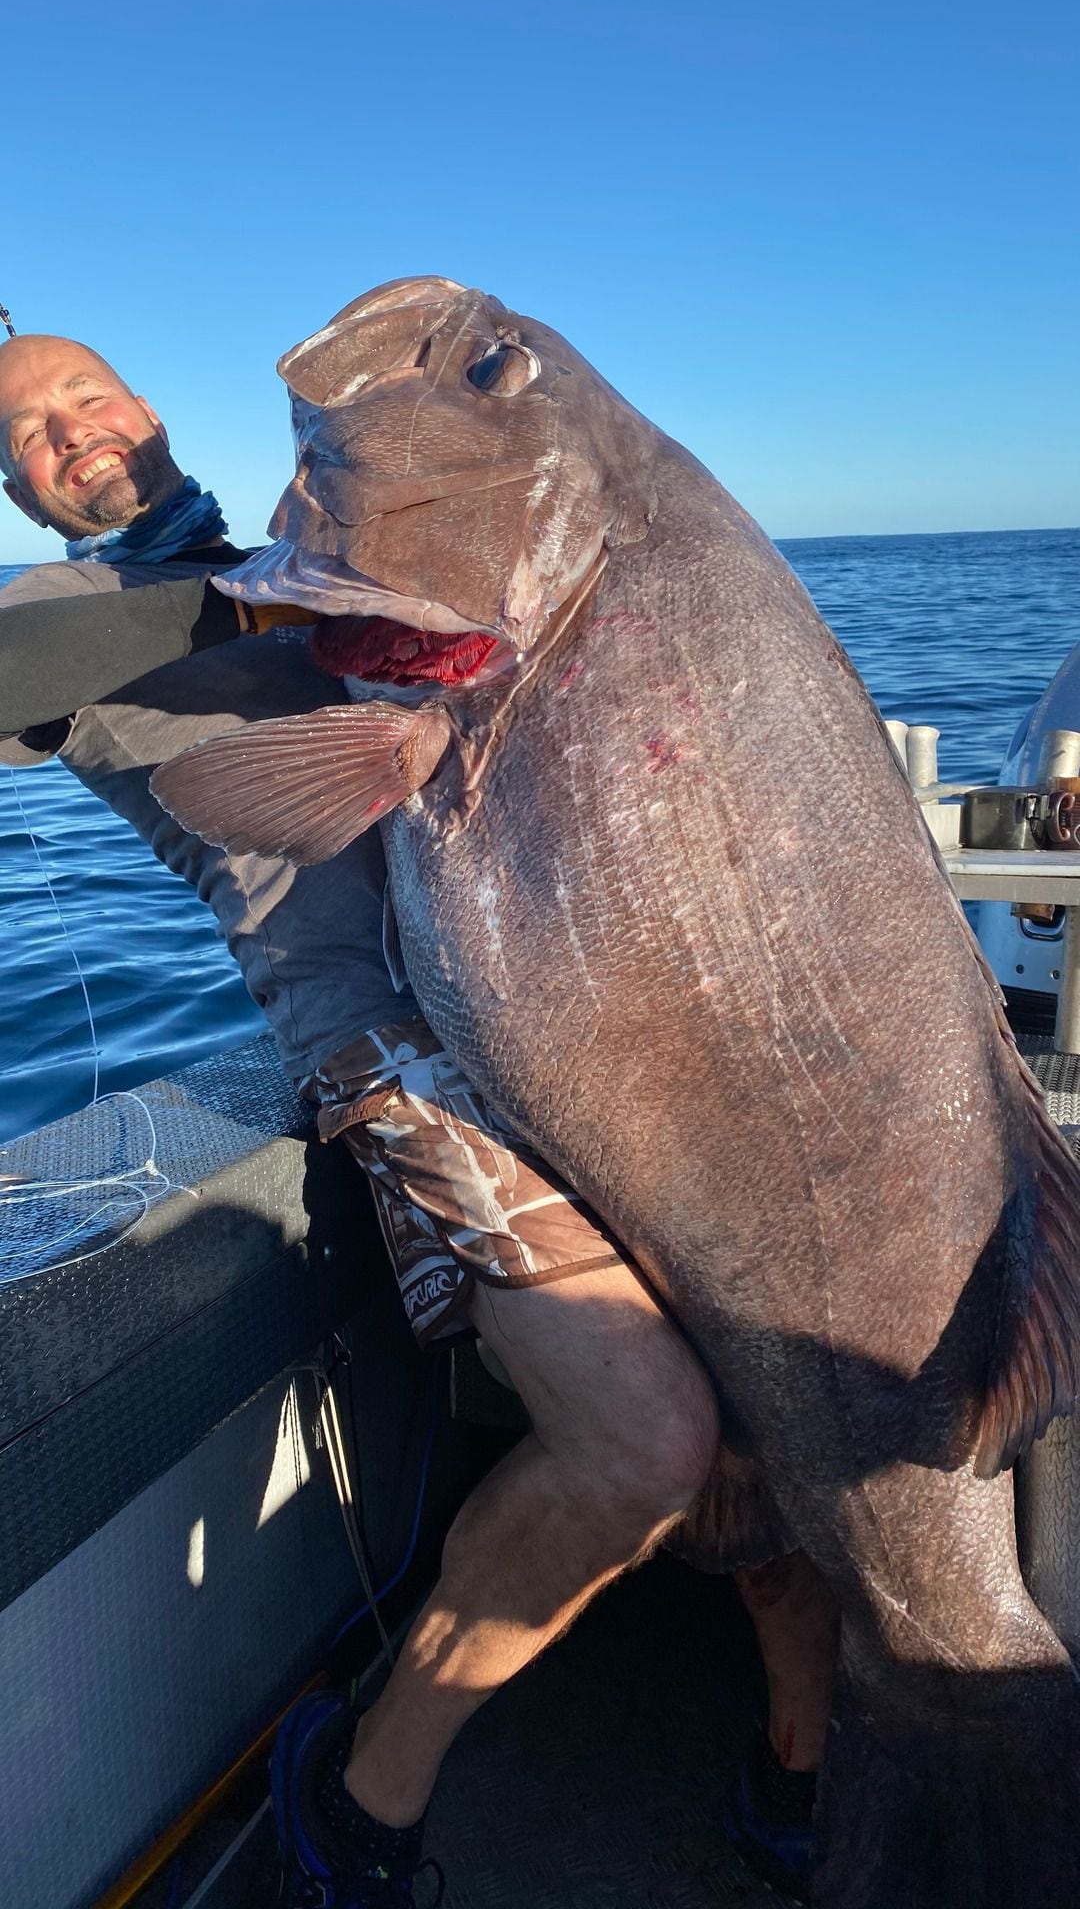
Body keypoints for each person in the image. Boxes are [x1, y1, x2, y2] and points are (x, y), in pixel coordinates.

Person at [0, 333, 839, 1906]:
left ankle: (804, 1752)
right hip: (396, 1050)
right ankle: (362, 1795)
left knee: (773, 1383)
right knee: (648, 1440)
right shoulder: (63, 619)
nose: (71, 432)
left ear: (150, 409)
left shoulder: (309, 539)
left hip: (585, 1007)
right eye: (28, 433)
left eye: (86, 395)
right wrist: (272, 604)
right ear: (19, 493)